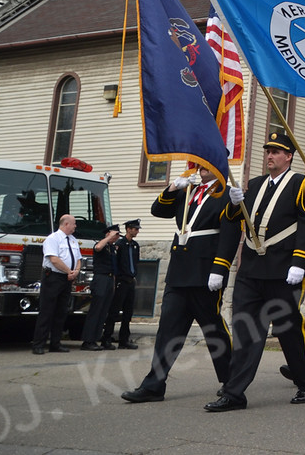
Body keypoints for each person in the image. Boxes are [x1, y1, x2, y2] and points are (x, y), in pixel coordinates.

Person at [204, 132, 305, 412]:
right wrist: (233, 204)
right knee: (246, 331)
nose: (270, 156)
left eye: (276, 152)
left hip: (284, 271)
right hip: (252, 271)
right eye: (268, 151)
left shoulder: (300, 183)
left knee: (288, 330)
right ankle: (234, 393)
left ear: (289, 156)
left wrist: (300, 262)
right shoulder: (254, 185)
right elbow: (233, 223)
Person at [122, 169, 233, 403]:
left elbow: (230, 235)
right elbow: (158, 210)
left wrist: (220, 268)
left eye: (207, 163)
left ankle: (231, 381)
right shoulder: (188, 190)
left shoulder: (224, 194)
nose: (201, 168)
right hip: (179, 271)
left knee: (213, 330)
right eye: (199, 164)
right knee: (167, 331)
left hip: (205, 272)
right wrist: (173, 187)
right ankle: (154, 385)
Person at [31, 214, 80, 354]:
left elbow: (78, 258)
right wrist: (69, 271)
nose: (75, 226)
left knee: (61, 312)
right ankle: (38, 344)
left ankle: (55, 344)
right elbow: (54, 259)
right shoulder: (53, 239)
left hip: (67, 279)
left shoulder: (73, 240)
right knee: (47, 311)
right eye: (74, 223)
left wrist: (75, 271)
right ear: (66, 224)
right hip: (53, 277)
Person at [79, 224, 119, 350]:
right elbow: (98, 247)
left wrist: (113, 283)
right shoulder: (101, 244)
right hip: (100, 278)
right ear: (108, 234)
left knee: (103, 311)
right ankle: (87, 340)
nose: (116, 238)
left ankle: (95, 339)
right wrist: (108, 237)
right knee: (96, 310)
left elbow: (113, 266)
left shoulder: (112, 248)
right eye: (114, 235)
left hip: (109, 278)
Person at [103, 219, 142, 349]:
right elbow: (116, 262)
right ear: (128, 229)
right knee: (114, 311)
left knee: (128, 312)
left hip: (130, 281)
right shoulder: (119, 244)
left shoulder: (135, 245)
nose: (137, 231)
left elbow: (136, 262)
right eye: (135, 229)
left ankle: (124, 339)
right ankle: (107, 338)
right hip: (121, 281)